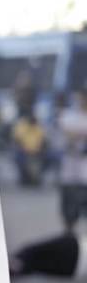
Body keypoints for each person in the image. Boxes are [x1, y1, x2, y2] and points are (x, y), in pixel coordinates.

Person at [59, 90, 87, 231]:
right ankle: (68, 234)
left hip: (84, 171)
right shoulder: (69, 115)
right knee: (69, 209)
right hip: (69, 169)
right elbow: (67, 132)